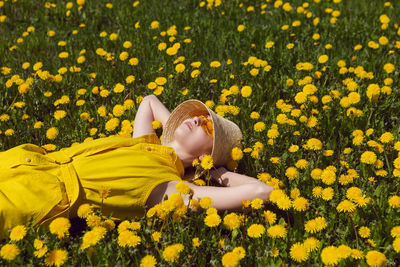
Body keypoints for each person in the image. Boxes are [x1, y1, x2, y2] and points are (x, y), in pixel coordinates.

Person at [0, 95, 274, 240]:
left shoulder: (166, 188)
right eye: (200, 116)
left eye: (209, 126)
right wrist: (171, 138)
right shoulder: (145, 143)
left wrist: (214, 173)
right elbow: (149, 101)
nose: (199, 119)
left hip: (34, 196)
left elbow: (262, 191)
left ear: (208, 155)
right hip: (23, 161)